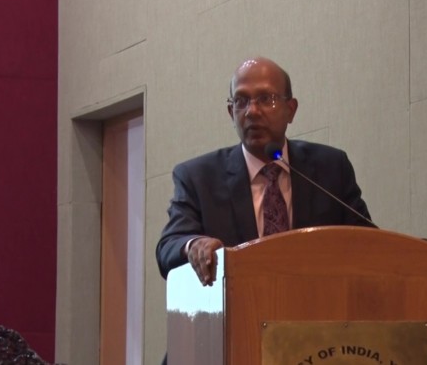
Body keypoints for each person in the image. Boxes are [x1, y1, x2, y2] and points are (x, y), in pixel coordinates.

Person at [155, 57, 375, 286]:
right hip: (240, 304)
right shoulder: (198, 178)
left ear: (291, 110)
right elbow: (168, 246)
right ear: (231, 112)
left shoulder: (330, 168)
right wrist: (194, 245)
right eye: (241, 101)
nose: (251, 111)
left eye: (265, 99)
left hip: (319, 302)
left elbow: (369, 243)